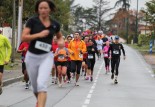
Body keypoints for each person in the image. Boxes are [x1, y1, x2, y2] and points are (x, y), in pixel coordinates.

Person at [21, 0, 63, 107]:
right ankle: (39, 101)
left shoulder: (55, 24)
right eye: (41, 8)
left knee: (41, 85)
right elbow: (24, 37)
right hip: (31, 56)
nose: (43, 10)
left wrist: (61, 42)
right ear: (37, 10)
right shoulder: (32, 21)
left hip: (46, 57)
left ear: (50, 9)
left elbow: (59, 36)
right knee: (35, 87)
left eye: (45, 8)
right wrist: (38, 35)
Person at [0, 30, 12, 95]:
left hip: (1, 61)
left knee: (0, 76)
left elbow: (9, 48)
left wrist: (7, 58)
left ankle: (0, 85)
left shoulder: (3, 38)